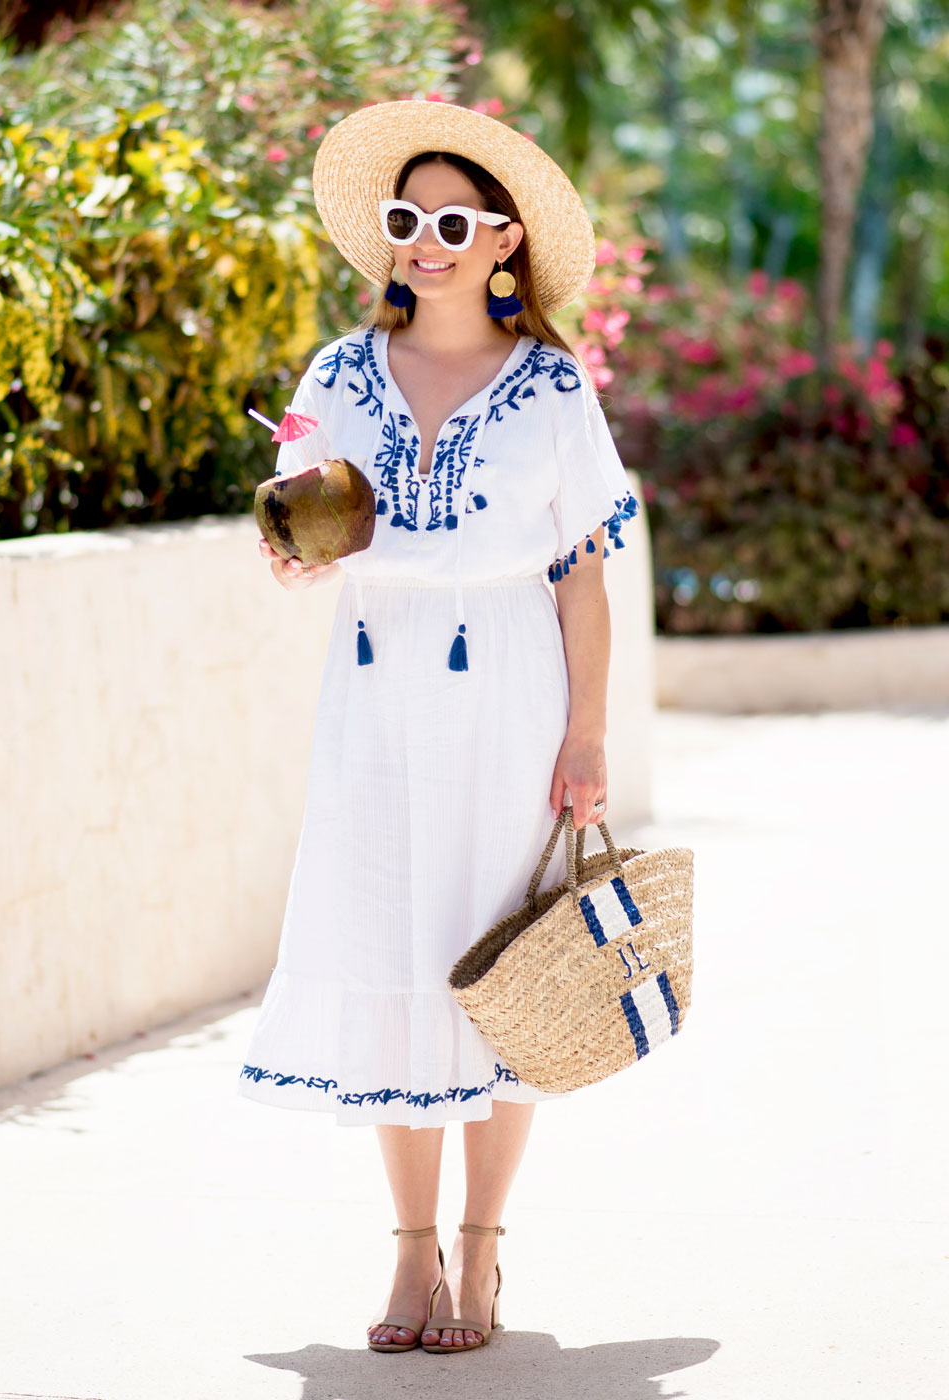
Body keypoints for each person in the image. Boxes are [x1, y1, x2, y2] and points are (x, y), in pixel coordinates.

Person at [238, 98, 640, 1355]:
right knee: (395, 955)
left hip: (510, 695)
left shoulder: (552, 386)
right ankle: (409, 1253)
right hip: (375, 692)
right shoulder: (335, 375)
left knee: (502, 975)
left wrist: (587, 737)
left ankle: (482, 1251)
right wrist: (295, 558)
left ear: (504, 238)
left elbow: (580, 570)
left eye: (450, 219)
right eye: (404, 218)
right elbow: (306, 526)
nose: (423, 239)